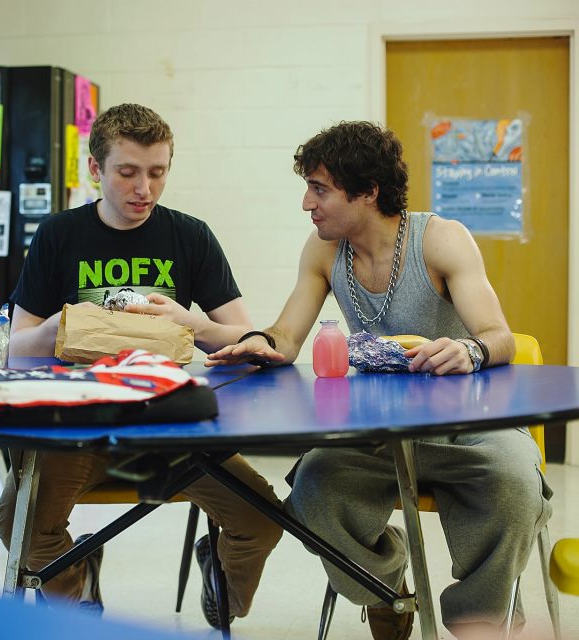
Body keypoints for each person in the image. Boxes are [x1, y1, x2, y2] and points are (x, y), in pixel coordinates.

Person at [207, 121, 553, 639]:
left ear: (367, 191)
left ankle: (477, 619)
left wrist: (469, 349)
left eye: (319, 188)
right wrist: (261, 342)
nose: (307, 203)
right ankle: (388, 591)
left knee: (516, 485)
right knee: (314, 488)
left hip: (468, 422)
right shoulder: (324, 250)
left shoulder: (440, 239)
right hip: (379, 430)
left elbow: (499, 336)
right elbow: (286, 335)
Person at [0, 103, 283, 628]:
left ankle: (220, 581)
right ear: (95, 170)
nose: (144, 189)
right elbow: (17, 349)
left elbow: (250, 339)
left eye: (158, 172)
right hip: (78, 428)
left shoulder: (190, 236)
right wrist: (74, 324)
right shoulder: (59, 235)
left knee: (260, 520)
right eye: (128, 173)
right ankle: (77, 586)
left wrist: (189, 323)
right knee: (21, 523)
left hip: (169, 426)